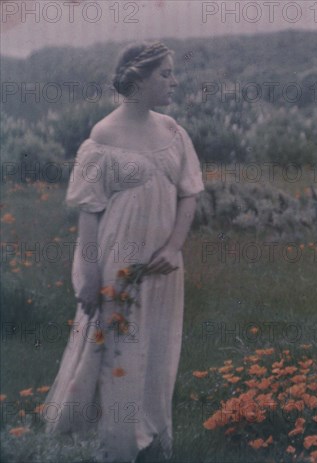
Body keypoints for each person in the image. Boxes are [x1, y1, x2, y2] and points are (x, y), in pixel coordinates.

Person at [43, 40, 204, 462]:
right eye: (165, 73)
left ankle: (150, 435)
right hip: (119, 263)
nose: (174, 80)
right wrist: (91, 274)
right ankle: (113, 444)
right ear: (138, 78)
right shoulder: (103, 136)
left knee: (157, 347)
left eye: (173, 72)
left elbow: (189, 194)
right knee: (116, 349)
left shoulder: (173, 131)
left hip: (163, 265)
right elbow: (90, 215)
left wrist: (174, 246)